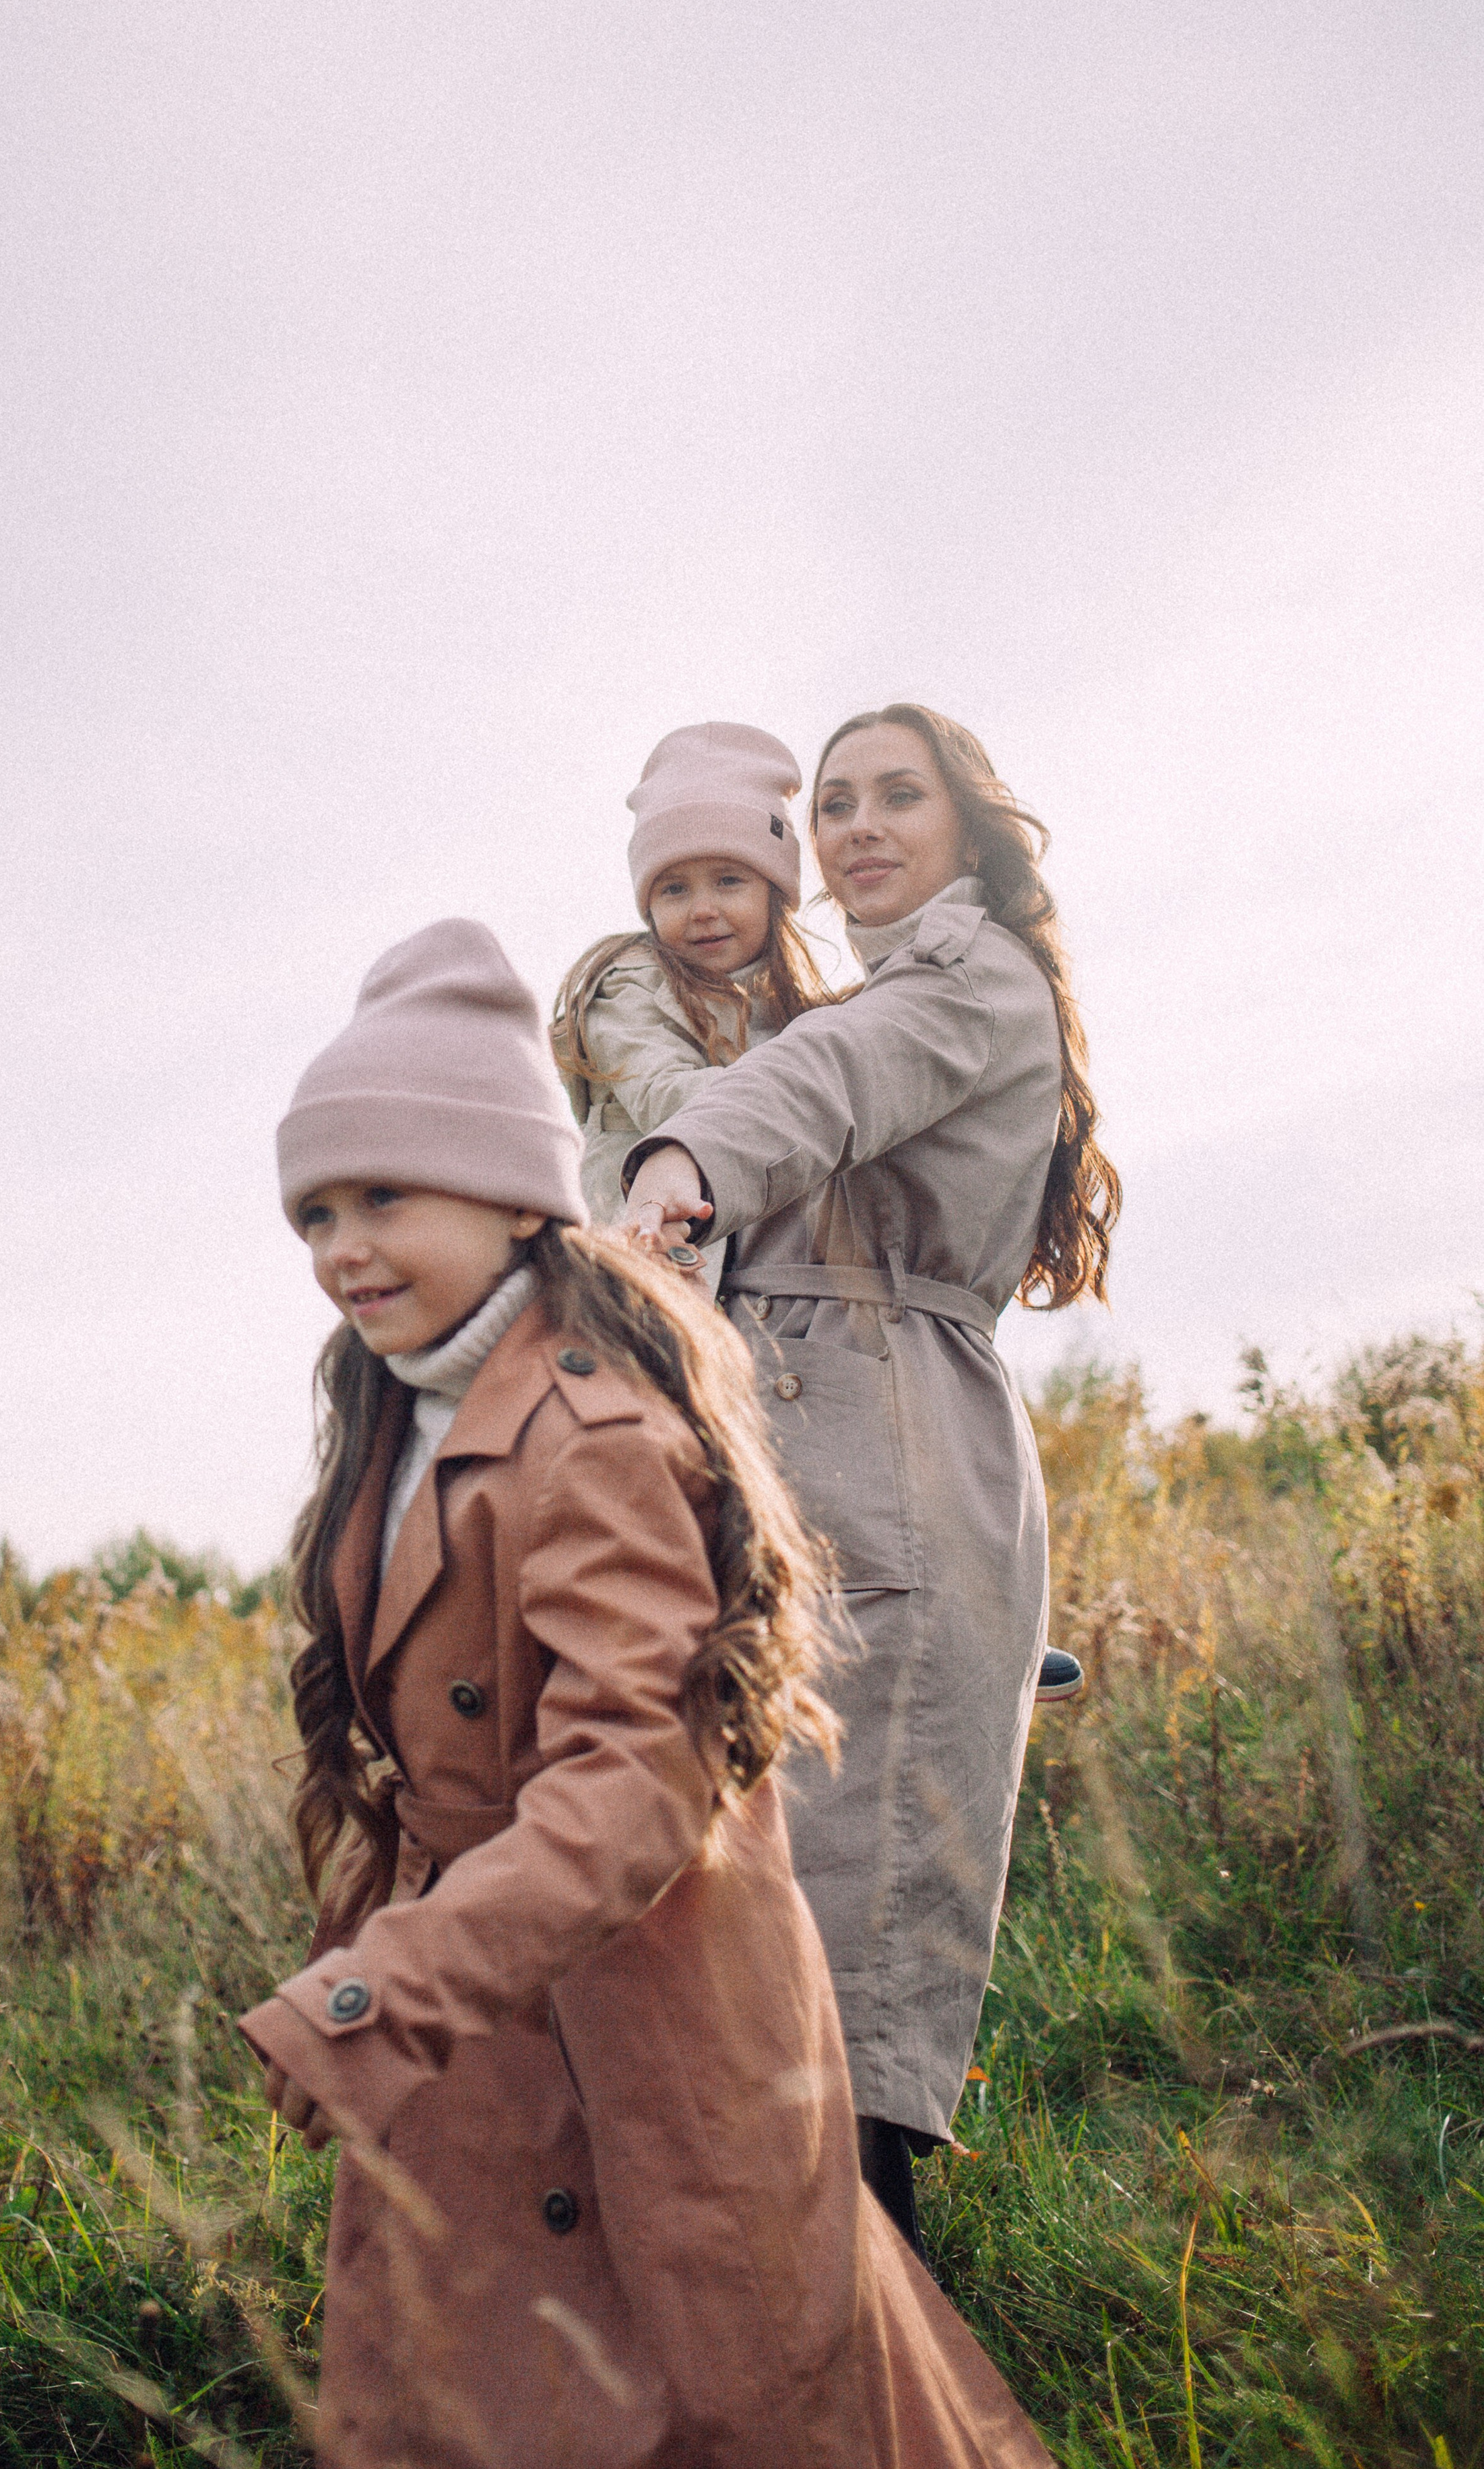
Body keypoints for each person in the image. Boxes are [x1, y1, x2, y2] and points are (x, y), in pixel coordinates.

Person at [238, 917, 1053, 2469]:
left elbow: (634, 1784)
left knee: (722, 2402)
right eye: (314, 1211)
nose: (341, 1245)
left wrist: (379, 1988)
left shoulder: (592, 1432)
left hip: (647, 2033)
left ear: (511, 1192)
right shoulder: (404, 1411)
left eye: (383, 1194)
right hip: (493, 2030)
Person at [622, 704, 1120, 2259]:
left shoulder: (960, 982)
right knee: (774, 1977)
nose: (853, 824)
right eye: (829, 801)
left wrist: (676, 1166)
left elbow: (816, 1085)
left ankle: (879, 2391)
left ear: (967, 827)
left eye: (894, 794)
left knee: (835, 1982)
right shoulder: (896, 986)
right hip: (820, 1472)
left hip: (889, 1470)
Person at [551, 720, 829, 1236]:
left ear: (773, 891)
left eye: (728, 881)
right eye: (675, 889)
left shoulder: (799, 1014)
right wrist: (821, 1098)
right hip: (642, 1266)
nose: (703, 910)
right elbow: (665, 1094)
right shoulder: (627, 988)